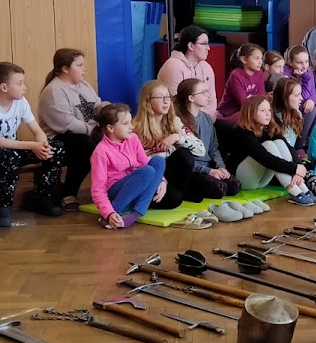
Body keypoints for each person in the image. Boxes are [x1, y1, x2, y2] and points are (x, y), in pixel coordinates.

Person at [0, 62, 65, 227]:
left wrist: (42, 146)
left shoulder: (21, 101)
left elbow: (37, 130)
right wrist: (32, 146)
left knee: (56, 147)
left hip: (15, 148)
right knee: (10, 156)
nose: (25, 87)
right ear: (4, 87)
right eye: (19, 83)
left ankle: (44, 198)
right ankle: (4, 208)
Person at [38, 48, 103, 210]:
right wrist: (96, 132)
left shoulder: (84, 85)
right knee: (87, 144)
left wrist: (106, 109)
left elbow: (96, 106)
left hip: (86, 133)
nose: (84, 69)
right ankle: (68, 193)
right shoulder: (54, 91)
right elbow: (66, 124)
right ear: (65, 69)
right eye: (79, 65)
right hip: (58, 138)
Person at [225, 94, 316, 205]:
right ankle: (292, 189)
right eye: (262, 110)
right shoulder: (243, 132)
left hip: (262, 181)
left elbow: (289, 148)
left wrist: (298, 167)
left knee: (279, 142)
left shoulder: (269, 129)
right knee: (269, 145)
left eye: (269, 110)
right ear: (251, 113)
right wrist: (294, 168)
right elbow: (264, 158)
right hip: (244, 180)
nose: (268, 114)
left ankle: (301, 186)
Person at [89, 102, 166, 229]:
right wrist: (109, 213)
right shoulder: (100, 152)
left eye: (130, 122)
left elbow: (144, 162)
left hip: (136, 188)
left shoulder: (133, 138)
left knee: (158, 161)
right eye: (125, 123)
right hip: (117, 194)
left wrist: (162, 180)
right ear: (110, 128)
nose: (131, 127)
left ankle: (135, 213)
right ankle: (116, 213)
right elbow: (98, 189)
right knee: (147, 171)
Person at [175, 78, 241, 200]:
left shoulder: (206, 118)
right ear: (191, 98)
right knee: (218, 189)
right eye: (203, 92)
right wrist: (208, 171)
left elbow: (213, 148)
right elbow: (182, 159)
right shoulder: (178, 121)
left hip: (209, 166)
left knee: (234, 186)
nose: (208, 95)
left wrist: (221, 167)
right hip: (193, 170)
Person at [133, 80, 193, 210]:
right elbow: (136, 164)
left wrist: (177, 137)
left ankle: (178, 192)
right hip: (150, 175)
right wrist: (161, 180)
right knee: (174, 200)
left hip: (169, 173)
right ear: (147, 101)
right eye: (160, 97)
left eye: (167, 97)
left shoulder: (175, 121)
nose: (166, 101)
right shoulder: (135, 128)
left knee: (185, 154)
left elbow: (200, 149)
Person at [157, 25, 215, 97]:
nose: (208, 48)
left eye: (208, 44)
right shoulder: (174, 66)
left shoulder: (206, 67)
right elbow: (174, 101)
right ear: (191, 46)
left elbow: (211, 100)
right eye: (204, 44)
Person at [283, 44, 316, 134]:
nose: (304, 66)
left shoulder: (308, 73)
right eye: (300, 63)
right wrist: (304, 78)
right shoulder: (286, 75)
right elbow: (301, 97)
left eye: (306, 62)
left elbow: (313, 94)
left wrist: (311, 100)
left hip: (304, 105)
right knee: (311, 111)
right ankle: (301, 140)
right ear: (290, 62)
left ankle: (315, 138)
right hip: (292, 106)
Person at [217, 43, 266, 123]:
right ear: (244, 60)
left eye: (261, 58)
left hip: (247, 110)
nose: (260, 62)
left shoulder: (259, 73)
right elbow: (243, 102)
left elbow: (261, 96)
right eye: (256, 58)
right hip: (228, 113)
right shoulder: (236, 75)